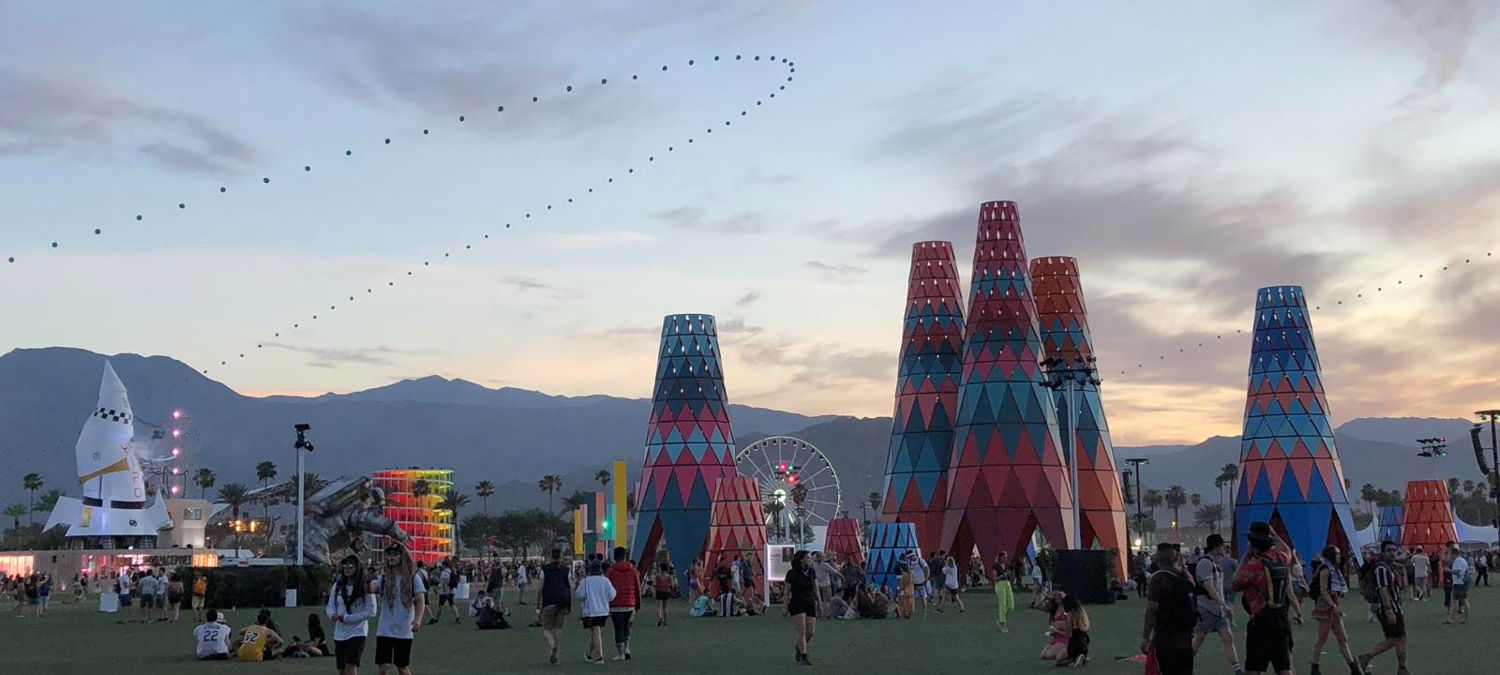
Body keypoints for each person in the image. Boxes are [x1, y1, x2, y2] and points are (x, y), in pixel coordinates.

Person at [1232, 522, 1296, 675]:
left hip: (1260, 620)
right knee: (1283, 667)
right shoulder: (1280, 559)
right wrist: (1274, 534)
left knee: (1254, 668)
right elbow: (1287, 550)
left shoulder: (1254, 565)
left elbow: (1235, 584)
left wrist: (1246, 557)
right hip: (1280, 617)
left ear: (1253, 544)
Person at [1192, 535, 1245, 675]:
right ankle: (1185, 665)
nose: (1224, 549)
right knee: (1198, 639)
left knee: (1228, 637)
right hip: (1206, 607)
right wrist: (1223, 604)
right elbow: (1209, 586)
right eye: (1221, 546)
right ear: (1215, 547)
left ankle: (1237, 669)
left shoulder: (1216, 563)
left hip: (1218, 609)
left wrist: (1222, 605)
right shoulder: (1205, 563)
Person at [1143, 543, 1197, 675]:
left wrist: (1146, 637)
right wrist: (1183, 567)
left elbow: (1152, 609)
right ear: (1176, 558)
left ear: (1157, 559)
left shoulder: (1158, 579)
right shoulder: (1184, 578)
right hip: (1186, 639)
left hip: (1165, 640)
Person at [1357, 540, 1408, 675]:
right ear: (1383, 552)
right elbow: (1382, 589)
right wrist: (1389, 610)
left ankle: (1367, 657)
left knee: (1394, 639)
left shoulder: (1390, 567)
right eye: (1389, 550)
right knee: (1399, 638)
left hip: (1394, 607)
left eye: (1394, 550)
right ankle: (1401, 668)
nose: (1392, 553)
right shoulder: (1381, 569)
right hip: (1389, 608)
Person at [374, 544, 426, 675]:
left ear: (403, 556)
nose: (391, 557)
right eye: (389, 554)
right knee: (382, 667)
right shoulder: (384, 578)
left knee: (402, 667)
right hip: (385, 629)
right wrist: (367, 580)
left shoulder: (413, 578)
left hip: (404, 629)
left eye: (395, 554)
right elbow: (372, 589)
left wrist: (418, 620)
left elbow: (420, 601)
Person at [1308, 546, 1359, 675]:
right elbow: (1323, 590)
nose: (1339, 556)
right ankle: (1314, 667)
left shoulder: (1334, 569)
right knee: (1322, 639)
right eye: (1336, 554)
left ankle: (1354, 668)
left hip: (1333, 604)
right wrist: (1333, 606)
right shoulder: (1325, 569)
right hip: (1325, 606)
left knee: (1342, 638)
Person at [327, 554, 376, 675]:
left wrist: (348, 618)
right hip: (340, 632)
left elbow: (371, 611)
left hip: (357, 631)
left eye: (351, 566)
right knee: (341, 669)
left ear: (357, 568)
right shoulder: (337, 586)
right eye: (345, 566)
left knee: (350, 664)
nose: (347, 569)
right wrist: (332, 615)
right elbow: (330, 606)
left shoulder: (364, 587)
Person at [575, 560, 616, 664]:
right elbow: (612, 595)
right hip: (603, 611)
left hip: (590, 611)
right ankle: (588, 654)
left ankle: (600, 656)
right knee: (596, 632)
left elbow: (579, 594)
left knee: (595, 631)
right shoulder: (605, 581)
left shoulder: (585, 581)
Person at [604, 546, 640, 661]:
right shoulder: (633, 571)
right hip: (630, 603)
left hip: (615, 604)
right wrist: (637, 604)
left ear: (614, 557)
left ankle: (620, 653)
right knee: (627, 626)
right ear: (625, 557)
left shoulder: (610, 571)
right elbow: (637, 588)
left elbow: (606, 589)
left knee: (618, 628)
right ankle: (627, 648)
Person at [537, 548, 572, 665]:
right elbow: (569, 587)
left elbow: (541, 587)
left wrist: (538, 602)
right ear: (560, 557)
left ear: (551, 557)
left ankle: (552, 646)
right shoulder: (566, 570)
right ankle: (556, 651)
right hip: (562, 601)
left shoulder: (545, 570)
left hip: (549, 601)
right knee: (559, 627)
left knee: (547, 628)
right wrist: (569, 604)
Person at [786, 550, 819, 665]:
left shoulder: (811, 572)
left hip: (809, 602)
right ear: (801, 560)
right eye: (808, 558)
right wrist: (785, 605)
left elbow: (815, 587)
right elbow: (786, 590)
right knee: (802, 631)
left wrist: (819, 602)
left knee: (811, 631)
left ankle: (798, 647)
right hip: (797, 603)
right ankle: (804, 655)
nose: (810, 560)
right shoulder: (792, 573)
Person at [1059, 595, 1090, 667]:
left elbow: (1069, 634)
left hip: (1075, 643)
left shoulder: (1070, 614)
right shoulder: (1082, 613)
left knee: (1059, 663)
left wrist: (1057, 632)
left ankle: (1076, 659)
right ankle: (1081, 658)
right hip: (1084, 641)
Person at [992, 552, 1015, 632]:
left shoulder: (1007, 566)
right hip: (1000, 584)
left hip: (1007, 584)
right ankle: (1002, 623)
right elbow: (994, 578)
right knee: (1003, 604)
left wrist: (1011, 575)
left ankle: (1001, 619)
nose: (1006, 558)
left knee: (1011, 606)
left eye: (1006, 557)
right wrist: (1002, 576)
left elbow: (1011, 574)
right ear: (1000, 557)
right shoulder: (996, 566)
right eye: (1004, 557)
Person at [1447, 548, 1470, 624]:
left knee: (1456, 601)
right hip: (1462, 583)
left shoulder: (1457, 561)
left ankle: (1453, 619)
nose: (1450, 556)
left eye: (1451, 554)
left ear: (1454, 554)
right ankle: (1463, 617)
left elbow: (1458, 572)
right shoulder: (1463, 560)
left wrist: (1449, 570)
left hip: (1458, 583)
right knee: (1462, 600)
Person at [652, 562, 676, 626]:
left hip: (659, 592)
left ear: (661, 568)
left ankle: (660, 617)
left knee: (658, 606)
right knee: (665, 607)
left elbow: (654, 584)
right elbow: (672, 585)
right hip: (666, 592)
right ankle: (665, 620)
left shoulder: (657, 575)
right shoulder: (669, 576)